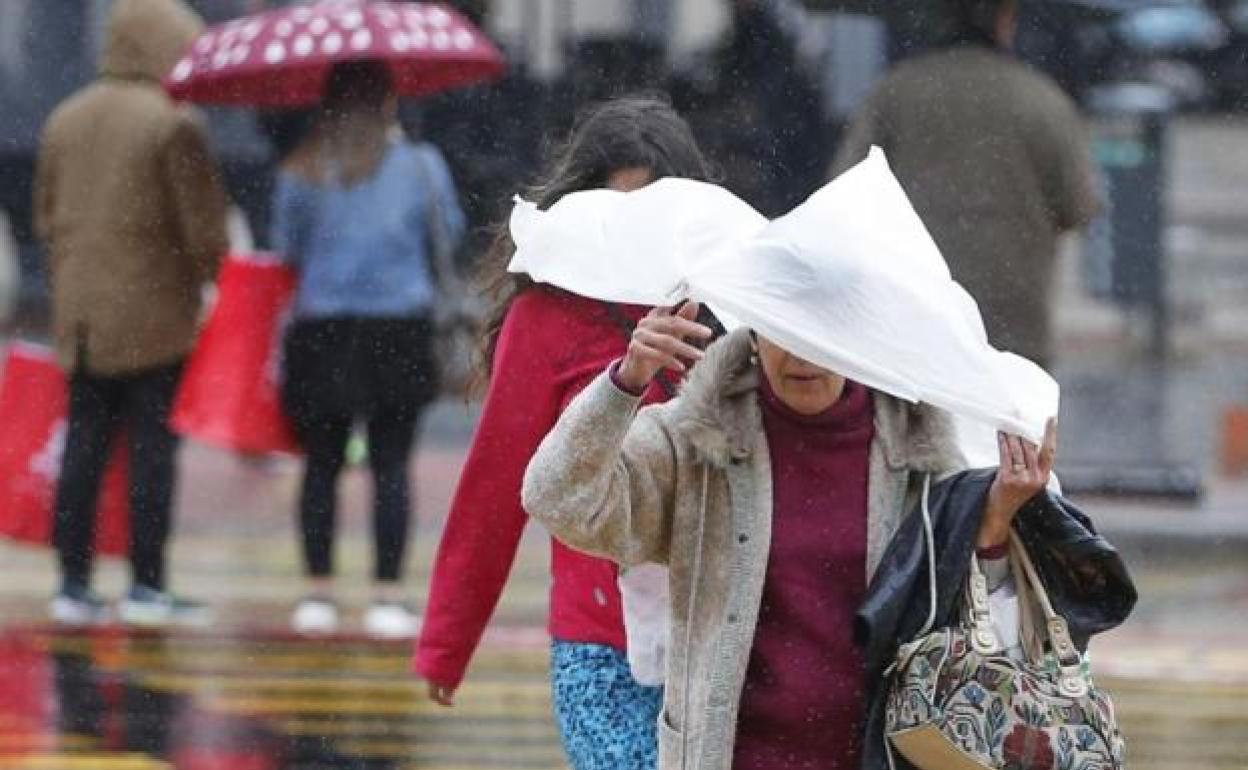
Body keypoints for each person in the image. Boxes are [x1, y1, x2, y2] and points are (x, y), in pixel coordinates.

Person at [522, 302, 1135, 770]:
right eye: (783, 332)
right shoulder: (694, 439)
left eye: (824, 335)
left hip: (878, 753)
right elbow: (556, 498)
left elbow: (976, 614)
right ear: (754, 335)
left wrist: (998, 517)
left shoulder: (922, 444)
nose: (802, 356)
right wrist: (623, 384)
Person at [414, 96, 714, 770]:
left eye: (654, 212)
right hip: (597, 646)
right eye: (617, 212)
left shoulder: (734, 300)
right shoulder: (547, 316)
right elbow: (496, 485)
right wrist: (447, 642)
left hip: (718, 634)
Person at [34, 0, 228, 627]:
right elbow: (201, 232)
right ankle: (146, 584)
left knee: (84, 448)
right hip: (154, 320)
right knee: (151, 451)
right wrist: (210, 277)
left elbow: (44, 216)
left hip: (81, 318)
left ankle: (72, 581)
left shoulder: (64, 118)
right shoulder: (172, 124)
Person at [270, 60, 465, 639]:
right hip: (398, 331)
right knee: (390, 464)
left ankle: (318, 592)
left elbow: (286, 249)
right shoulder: (422, 166)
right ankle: (386, 595)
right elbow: (447, 234)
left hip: (322, 331)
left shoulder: (302, 168)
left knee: (321, 466)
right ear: (387, 103)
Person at [831, 0, 1098, 369]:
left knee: (922, 429)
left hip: (912, 327)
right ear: (1006, 19)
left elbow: (843, 195)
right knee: (1009, 427)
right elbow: (1078, 207)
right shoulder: (1044, 102)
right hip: (1014, 336)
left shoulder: (893, 95)